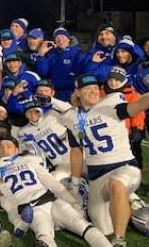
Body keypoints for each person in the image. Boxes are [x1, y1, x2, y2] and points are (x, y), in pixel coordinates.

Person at [61, 73, 149, 246]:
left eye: (95, 88)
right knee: (103, 229)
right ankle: (132, 207)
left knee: (116, 185)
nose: (94, 91)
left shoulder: (111, 103)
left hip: (124, 167)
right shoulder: (70, 116)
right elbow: (76, 151)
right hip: (96, 176)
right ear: (78, 92)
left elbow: (138, 105)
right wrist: (75, 182)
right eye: (88, 88)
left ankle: (119, 240)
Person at [0, 135, 111, 247]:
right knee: (43, 240)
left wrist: (72, 201)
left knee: (83, 226)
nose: (4, 149)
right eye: (1, 147)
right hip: (32, 209)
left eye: (8, 145)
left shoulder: (29, 160)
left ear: (17, 149)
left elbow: (51, 182)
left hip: (51, 200)